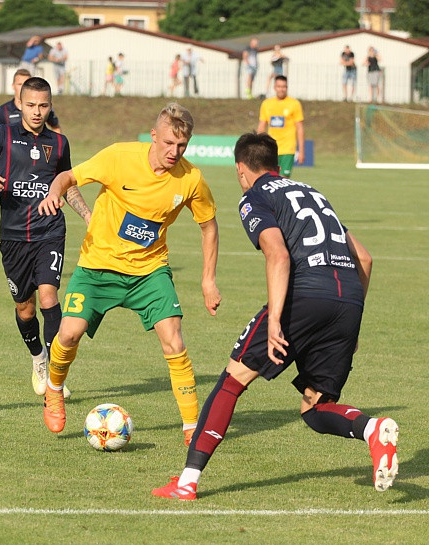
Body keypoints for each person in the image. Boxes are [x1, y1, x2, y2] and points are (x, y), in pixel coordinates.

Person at [152, 132, 398, 500]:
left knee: (231, 382)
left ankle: (187, 482)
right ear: (276, 164)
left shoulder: (255, 196)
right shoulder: (313, 193)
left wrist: (275, 320)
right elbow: (364, 257)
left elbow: (278, 255)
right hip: (348, 299)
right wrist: (352, 321)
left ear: (241, 169)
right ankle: (372, 430)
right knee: (316, 407)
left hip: (305, 295)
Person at [37, 103, 221, 446]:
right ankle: (54, 388)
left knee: (174, 341)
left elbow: (209, 226)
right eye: (168, 143)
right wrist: (53, 192)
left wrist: (208, 280)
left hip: (149, 272)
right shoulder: (119, 157)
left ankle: (192, 427)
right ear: (154, 136)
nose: (174, 151)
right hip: (98, 266)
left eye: (182, 145)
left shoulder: (191, 179)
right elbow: (67, 177)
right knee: (69, 334)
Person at [0, 77, 90, 399]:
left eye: (43, 106)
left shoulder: (59, 142)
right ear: (19, 104)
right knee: (25, 309)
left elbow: (67, 184)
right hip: (14, 236)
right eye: (31, 105)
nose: (37, 112)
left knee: (49, 296)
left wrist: (88, 216)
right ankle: (39, 359)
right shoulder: (2, 134)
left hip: (50, 230)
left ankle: (56, 379)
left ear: (50, 106)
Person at [257, 75, 304, 177]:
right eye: (279, 86)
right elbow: (261, 127)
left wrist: (301, 151)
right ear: (274, 87)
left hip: (288, 149)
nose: (281, 89)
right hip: (271, 149)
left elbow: (300, 128)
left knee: (282, 180)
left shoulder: (294, 104)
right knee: (269, 179)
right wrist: (258, 147)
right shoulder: (266, 104)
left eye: (284, 87)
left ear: (287, 87)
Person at [0, 69, 61, 133]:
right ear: (13, 86)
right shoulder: (3, 110)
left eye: (25, 84)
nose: (22, 87)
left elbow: (56, 127)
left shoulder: (42, 107)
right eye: (19, 84)